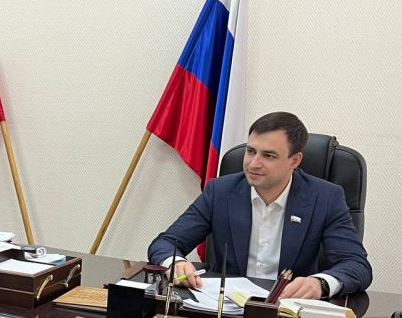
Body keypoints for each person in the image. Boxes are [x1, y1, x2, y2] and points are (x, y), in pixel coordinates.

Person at [148, 112, 372, 299]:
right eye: (251, 151)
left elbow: (356, 265)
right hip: (223, 310)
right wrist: (175, 262)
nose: (254, 164)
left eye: (269, 156)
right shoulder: (221, 191)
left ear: (294, 161)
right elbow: (165, 243)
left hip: (286, 313)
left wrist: (319, 283)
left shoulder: (325, 197)